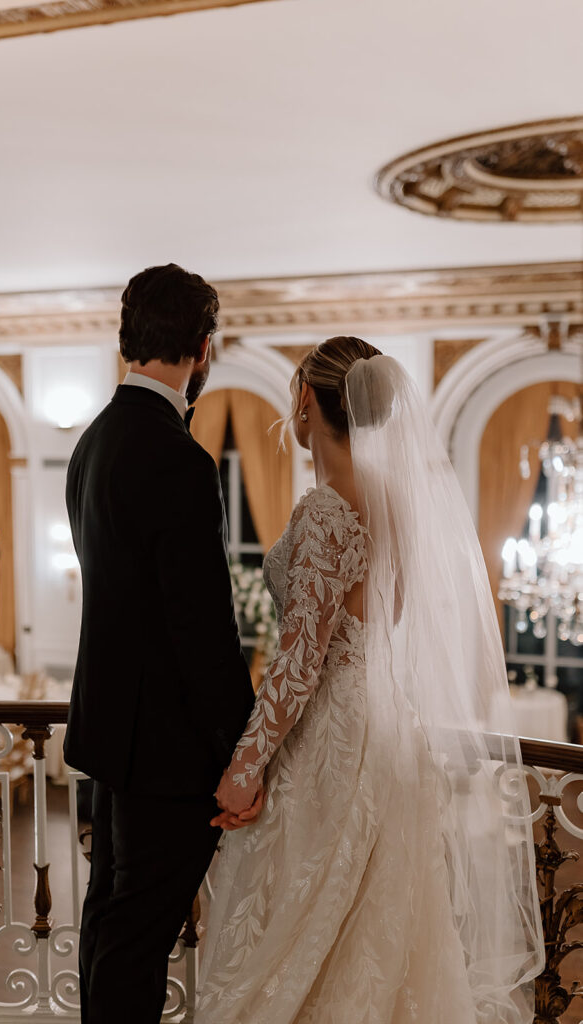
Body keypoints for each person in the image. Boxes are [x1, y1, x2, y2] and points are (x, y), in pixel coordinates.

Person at [198, 337, 544, 1024]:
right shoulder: (394, 500)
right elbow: (387, 619)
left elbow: (299, 663)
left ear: (303, 401)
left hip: (330, 734)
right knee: (374, 927)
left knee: (305, 921)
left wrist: (244, 767)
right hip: (386, 725)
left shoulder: (327, 509)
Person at [64, 263, 259, 1024]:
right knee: (136, 939)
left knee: (109, 920)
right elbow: (200, 626)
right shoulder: (176, 457)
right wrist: (245, 749)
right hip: (167, 755)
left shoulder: (92, 443)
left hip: (110, 738)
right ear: (202, 348)